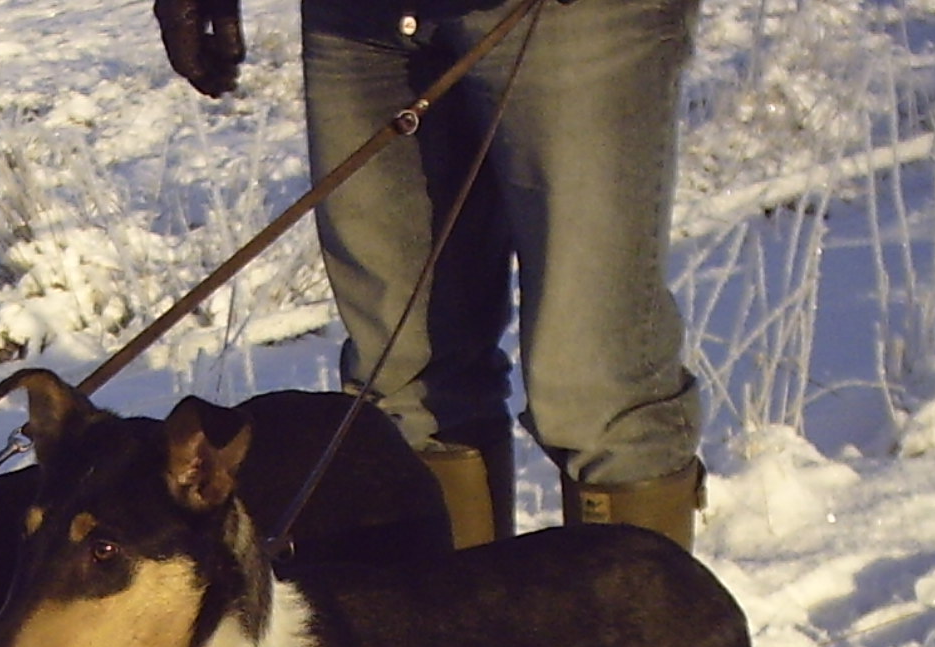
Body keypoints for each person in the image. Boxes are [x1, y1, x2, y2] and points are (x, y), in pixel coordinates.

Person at [155, 0, 705, 556]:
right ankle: (449, 636)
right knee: (405, 384)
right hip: (357, 20)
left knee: (597, 389)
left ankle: (630, 639)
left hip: (570, 18)